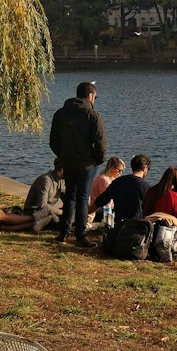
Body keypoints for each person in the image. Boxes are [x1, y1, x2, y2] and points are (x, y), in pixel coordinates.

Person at [48, 81, 107, 246]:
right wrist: (96, 160)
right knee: (82, 198)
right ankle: (81, 236)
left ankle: (64, 233)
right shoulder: (92, 115)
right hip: (87, 164)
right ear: (90, 96)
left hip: (68, 161)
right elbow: (101, 144)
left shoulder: (60, 114)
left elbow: (53, 141)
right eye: (94, 97)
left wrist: (63, 155)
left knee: (70, 198)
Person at [91, 153, 150, 227]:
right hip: (137, 226)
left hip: (119, 225)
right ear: (145, 168)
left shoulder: (118, 181)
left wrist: (85, 213)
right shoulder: (146, 186)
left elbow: (101, 200)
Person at [12, 160, 66, 233]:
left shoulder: (62, 180)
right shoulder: (46, 180)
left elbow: (68, 199)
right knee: (56, 219)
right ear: (62, 169)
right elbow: (42, 205)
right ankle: (34, 225)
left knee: (71, 215)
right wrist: (60, 212)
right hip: (35, 211)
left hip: (49, 211)